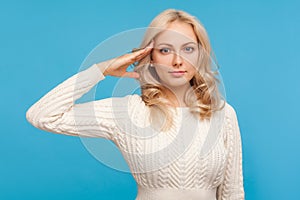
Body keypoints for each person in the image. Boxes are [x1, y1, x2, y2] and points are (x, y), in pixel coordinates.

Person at [26, 9, 245, 200]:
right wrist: (101, 69)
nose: (178, 61)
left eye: (188, 49)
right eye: (165, 50)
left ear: (200, 54)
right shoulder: (127, 112)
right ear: (150, 56)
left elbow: (233, 194)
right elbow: (42, 115)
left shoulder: (223, 114)